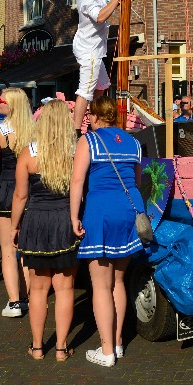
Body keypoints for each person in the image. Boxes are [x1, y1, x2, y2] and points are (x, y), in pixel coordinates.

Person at [70, 96, 144, 366]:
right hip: (130, 209)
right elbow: (136, 182)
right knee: (118, 282)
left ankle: (106, 351)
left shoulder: (88, 141)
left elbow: (77, 181)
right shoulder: (134, 142)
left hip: (101, 210)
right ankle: (117, 342)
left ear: (93, 116)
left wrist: (73, 216)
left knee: (100, 285)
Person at [13, 100, 80, 361]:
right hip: (65, 220)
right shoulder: (75, 152)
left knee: (38, 290)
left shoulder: (28, 153)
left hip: (37, 223)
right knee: (65, 288)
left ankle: (38, 347)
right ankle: (62, 348)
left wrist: (15, 226)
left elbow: (20, 196)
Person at [0, 88, 34, 317]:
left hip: (5, 191)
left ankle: (14, 301)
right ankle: (29, 296)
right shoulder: (34, 129)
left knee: (9, 250)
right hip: (29, 189)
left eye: (0, 100)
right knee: (27, 248)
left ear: (9, 105)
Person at [70, 0, 124, 131]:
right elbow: (100, 17)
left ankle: (97, 121)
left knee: (101, 85)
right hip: (89, 49)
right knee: (85, 90)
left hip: (94, 48)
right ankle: (76, 131)